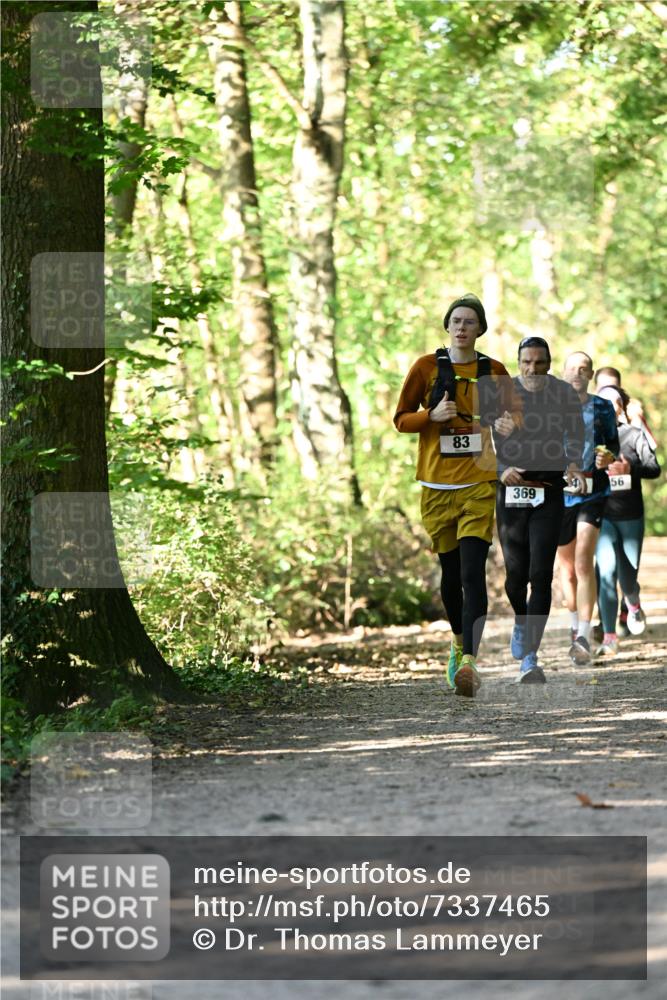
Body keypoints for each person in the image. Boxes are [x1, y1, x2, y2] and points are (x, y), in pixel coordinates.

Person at [394, 293, 521, 697]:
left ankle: (470, 660)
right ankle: (457, 641)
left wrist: (506, 423)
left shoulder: (494, 370)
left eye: (470, 322)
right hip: (436, 485)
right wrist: (429, 416)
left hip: (479, 483)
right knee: (450, 577)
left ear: (480, 329)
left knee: (472, 572)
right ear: (447, 326)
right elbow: (400, 420)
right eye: (456, 321)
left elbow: (517, 415)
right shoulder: (426, 367)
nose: (462, 327)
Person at [493, 337, 585, 683]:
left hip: (548, 492)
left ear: (549, 362)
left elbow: (575, 433)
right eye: (526, 362)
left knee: (540, 575)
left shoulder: (562, 394)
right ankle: (521, 619)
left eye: (539, 363)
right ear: (518, 363)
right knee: (516, 579)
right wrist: (502, 469)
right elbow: (487, 440)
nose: (532, 369)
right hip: (512, 495)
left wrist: (574, 462)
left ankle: (530, 657)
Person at [557, 352, 619, 665]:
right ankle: (573, 627)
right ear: (564, 373)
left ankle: (583, 636)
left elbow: (613, 446)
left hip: (594, 493)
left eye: (584, 369)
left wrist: (605, 456)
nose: (578, 374)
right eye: (573, 369)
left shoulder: (603, 407)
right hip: (559, 495)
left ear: (591, 374)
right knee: (566, 570)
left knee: (583, 562)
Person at [594, 384, 660, 656]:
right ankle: (609, 636)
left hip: (631, 514)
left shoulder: (634, 434)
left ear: (622, 407)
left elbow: (654, 469)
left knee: (627, 575)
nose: (610, 407)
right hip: (603, 513)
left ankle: (632, 603)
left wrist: (630, 469)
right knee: (606, 573)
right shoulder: (590, 436)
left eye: (615, 402)